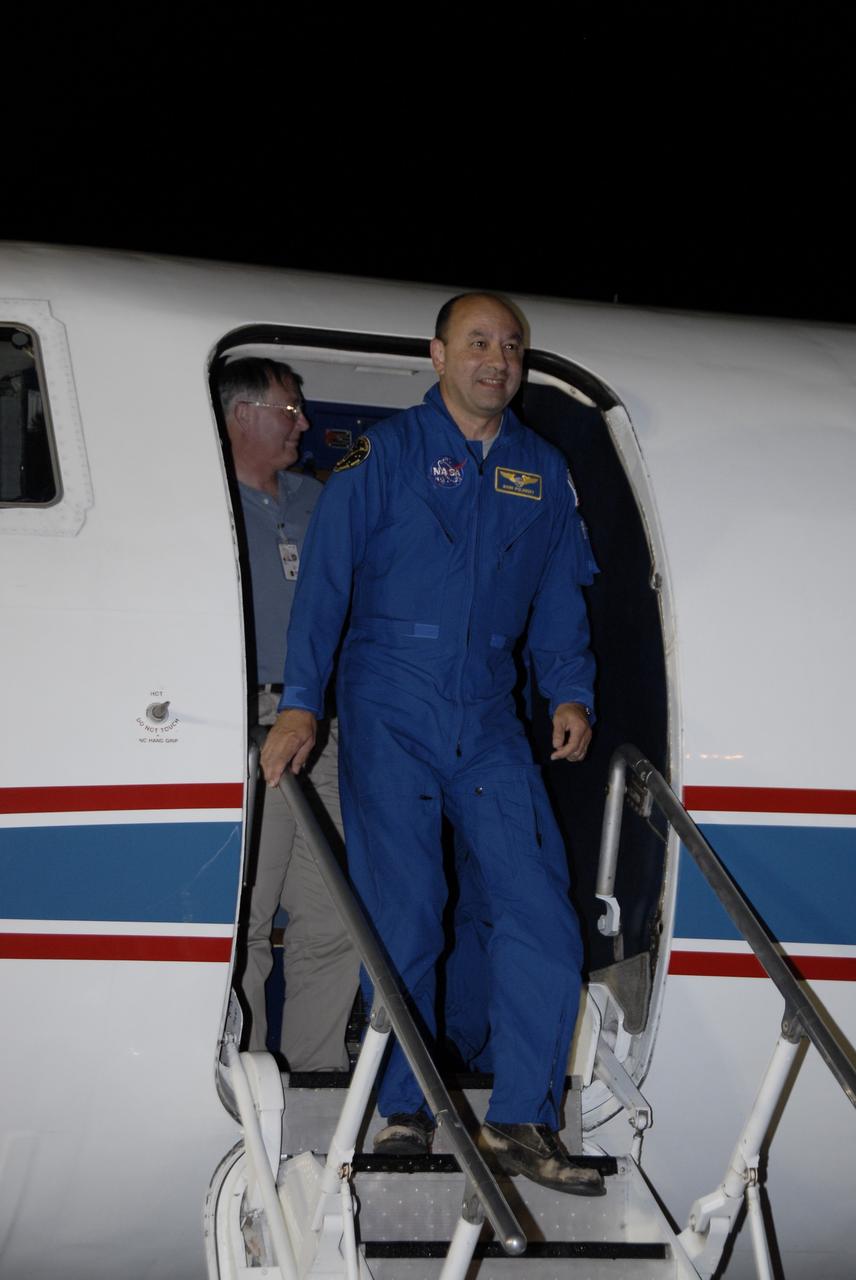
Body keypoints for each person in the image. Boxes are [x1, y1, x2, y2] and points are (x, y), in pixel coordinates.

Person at [261, 295, 603, 1194]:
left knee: (540, 912)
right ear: (439, 354)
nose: (497, 359)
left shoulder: (541, 468)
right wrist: (302, 703)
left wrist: (570, 689)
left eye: (511, 346)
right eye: (479, 343)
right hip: (390, 703)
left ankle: (526, 1118)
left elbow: (563, 597)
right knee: (408, 911)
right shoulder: (385, 455)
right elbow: (324, 584)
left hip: (490, 715)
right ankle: (408, 1108)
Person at [218, 357, 359, 1072]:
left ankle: (318, 1069)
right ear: (243, 414)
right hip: (254, 726)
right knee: (249, 913)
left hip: (328, 728)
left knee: (332, 913)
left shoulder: (317, 501)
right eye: (290, 409)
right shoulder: (205, 505)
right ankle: (244, 1073)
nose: (305, 423)